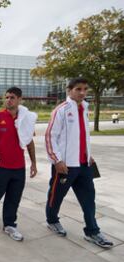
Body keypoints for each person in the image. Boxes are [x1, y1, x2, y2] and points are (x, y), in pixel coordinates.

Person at [45, 77, 113, 248]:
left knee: (89, 199)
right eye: (78, 89)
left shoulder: (85, 108)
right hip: (65, 166)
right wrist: (57, 160)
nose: (82, 92)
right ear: (69, 91)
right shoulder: (61, 110)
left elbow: (82, 135)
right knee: (56, 196)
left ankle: (92, 231)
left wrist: (87, 154)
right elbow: (49, 136)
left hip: (84, 165)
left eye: (85, 89)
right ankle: (52, 220)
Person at [0, 87, 38, 241]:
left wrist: (33, 163)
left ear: (20, 99)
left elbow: (29, 141)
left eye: (12, 97)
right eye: (6, 97)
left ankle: (9, 224)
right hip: (1, 166)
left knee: (14, 197)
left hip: (19, 167)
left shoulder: (25, 118)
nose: (8, 100)